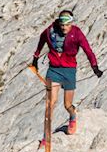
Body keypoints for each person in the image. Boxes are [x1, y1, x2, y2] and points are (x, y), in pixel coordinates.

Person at [31, 10, 101, 139]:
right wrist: (35, 58)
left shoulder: (77, 33)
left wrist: (94, 66)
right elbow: (41, 40)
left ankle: (73, 115)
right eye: (62, 25)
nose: (64, 27)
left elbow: (88, 50)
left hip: (69, 70)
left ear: (71, 23)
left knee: (67, 104)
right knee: (50, 103)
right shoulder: (50, 31)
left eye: (67, 25)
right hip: (53, 70)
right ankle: (46, 138)